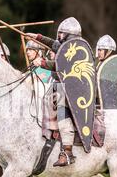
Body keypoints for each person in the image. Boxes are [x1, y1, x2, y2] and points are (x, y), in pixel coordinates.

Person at [26, 17, 83, 166]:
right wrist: (37, 37)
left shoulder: (76, 50)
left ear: (69, 35)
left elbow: (63, 65)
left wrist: (44, 63)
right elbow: (53, 44)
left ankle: (68, 152)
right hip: (61, 87)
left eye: (62, 34)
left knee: (62, 111)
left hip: (73, 90)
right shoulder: (67, 47)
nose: (59, 37)